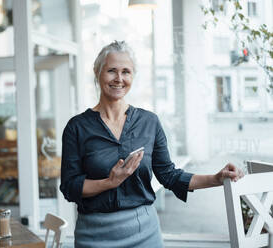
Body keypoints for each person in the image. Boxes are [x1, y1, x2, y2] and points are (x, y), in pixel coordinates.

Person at [60, 41, 244, 248]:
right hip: (94, 235)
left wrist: (216, 178)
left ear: (133, 76)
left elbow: (169, 175)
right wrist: (109, 183)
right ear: (97, 72)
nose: (119, 79)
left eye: (126, 72)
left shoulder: (149, 122)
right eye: (111, 70)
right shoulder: (77, 127)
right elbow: (70, 186)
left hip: (144, 233)